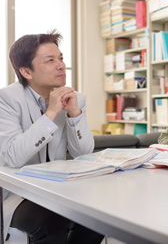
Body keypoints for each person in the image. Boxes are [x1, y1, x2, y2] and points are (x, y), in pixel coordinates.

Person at [0, 31, 104, 243]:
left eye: (61, 58)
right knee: (50, 220)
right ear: (26, 71)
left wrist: (74, 114)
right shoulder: (7, 99)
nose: (61, 65)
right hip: (19, 192)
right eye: (50, 60)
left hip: (58, 187)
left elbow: (83, 153)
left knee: (100, 215)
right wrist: (51, 114)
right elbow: (13, 156)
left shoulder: (75, 99)